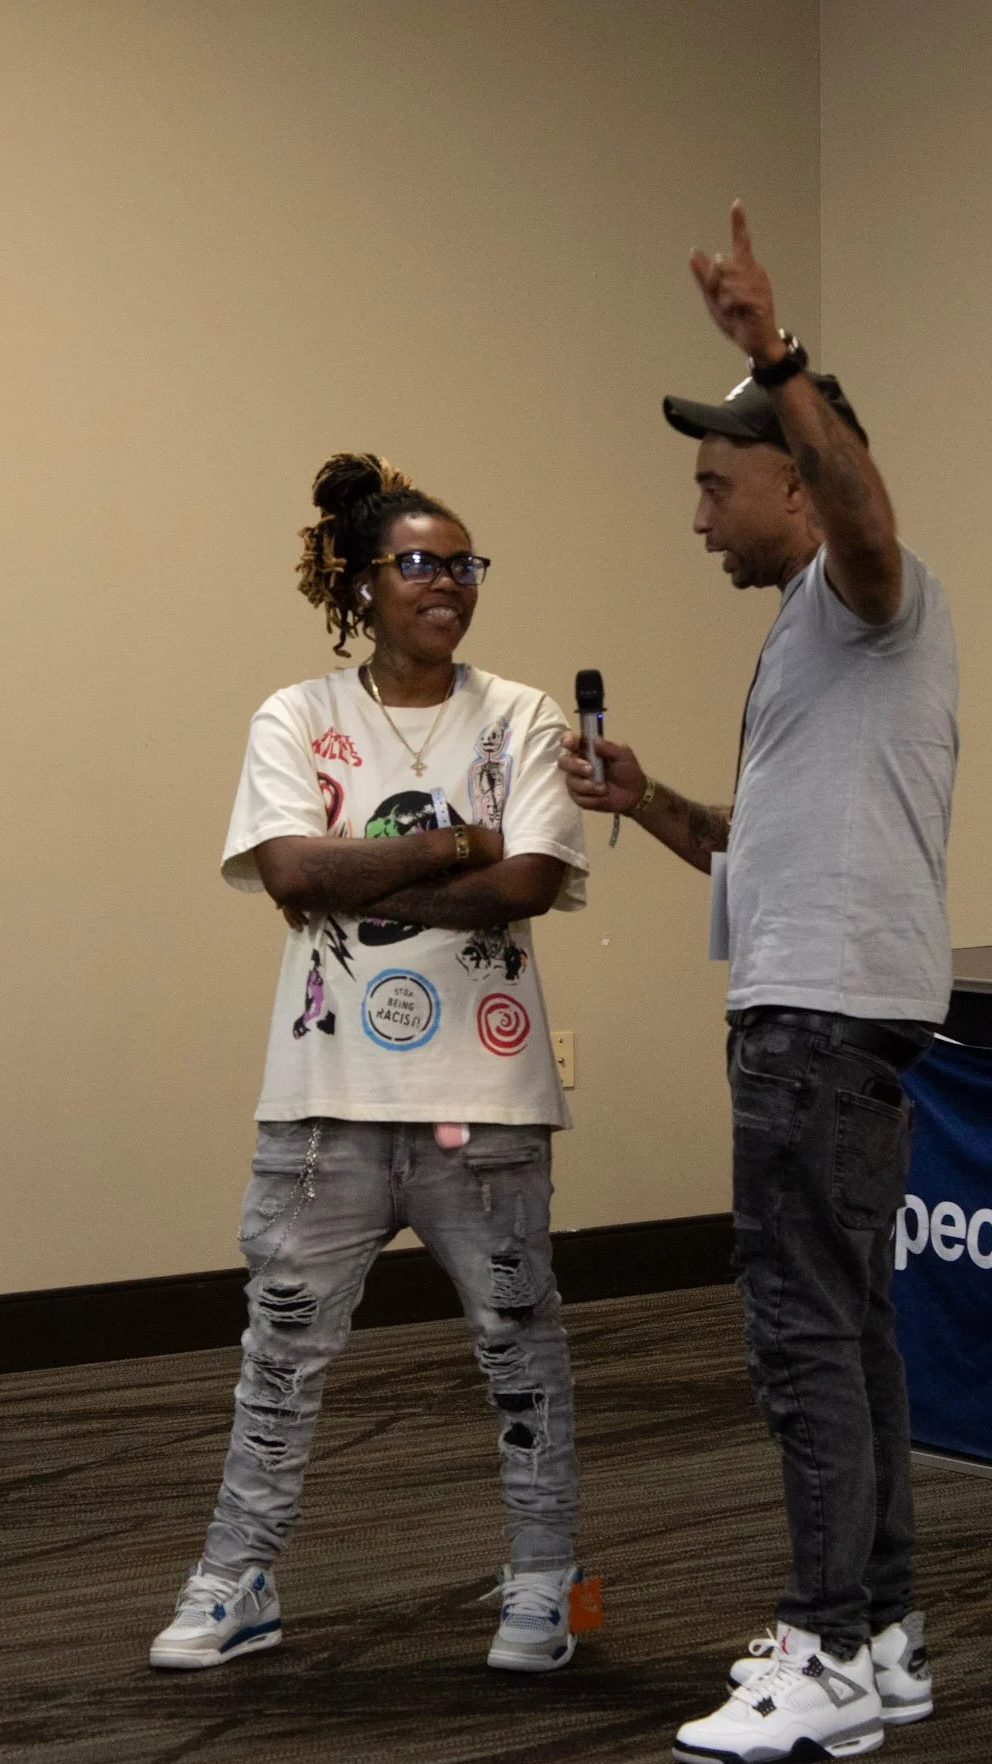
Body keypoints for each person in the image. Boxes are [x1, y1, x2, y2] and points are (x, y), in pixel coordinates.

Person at [561, 205, 959, 1764]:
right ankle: (885, 1630)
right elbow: (755, 849)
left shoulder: (870, 592)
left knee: (800, 1330)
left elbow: (871, 518)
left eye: (715, 485)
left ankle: (825, 1647)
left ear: (794, 480)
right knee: (849, 1326)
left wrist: (775, 355)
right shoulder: (811, 645)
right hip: (826, 1007)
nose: (697, 518)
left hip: (820, 1021)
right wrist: (648, 799)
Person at [150, 453, 589, 1677]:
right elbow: (289, 873)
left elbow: (529, 881)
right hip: (324, 1100)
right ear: (361, 582)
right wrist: (453, 844)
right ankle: (237, 1576)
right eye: (419, 563)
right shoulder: (295, 716)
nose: (448, 582)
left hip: (486, 1097)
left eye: (464, 564)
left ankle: (547, 1579)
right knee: (280, 1352)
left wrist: (365, 873)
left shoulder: (523, 716)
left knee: (520, 1343)